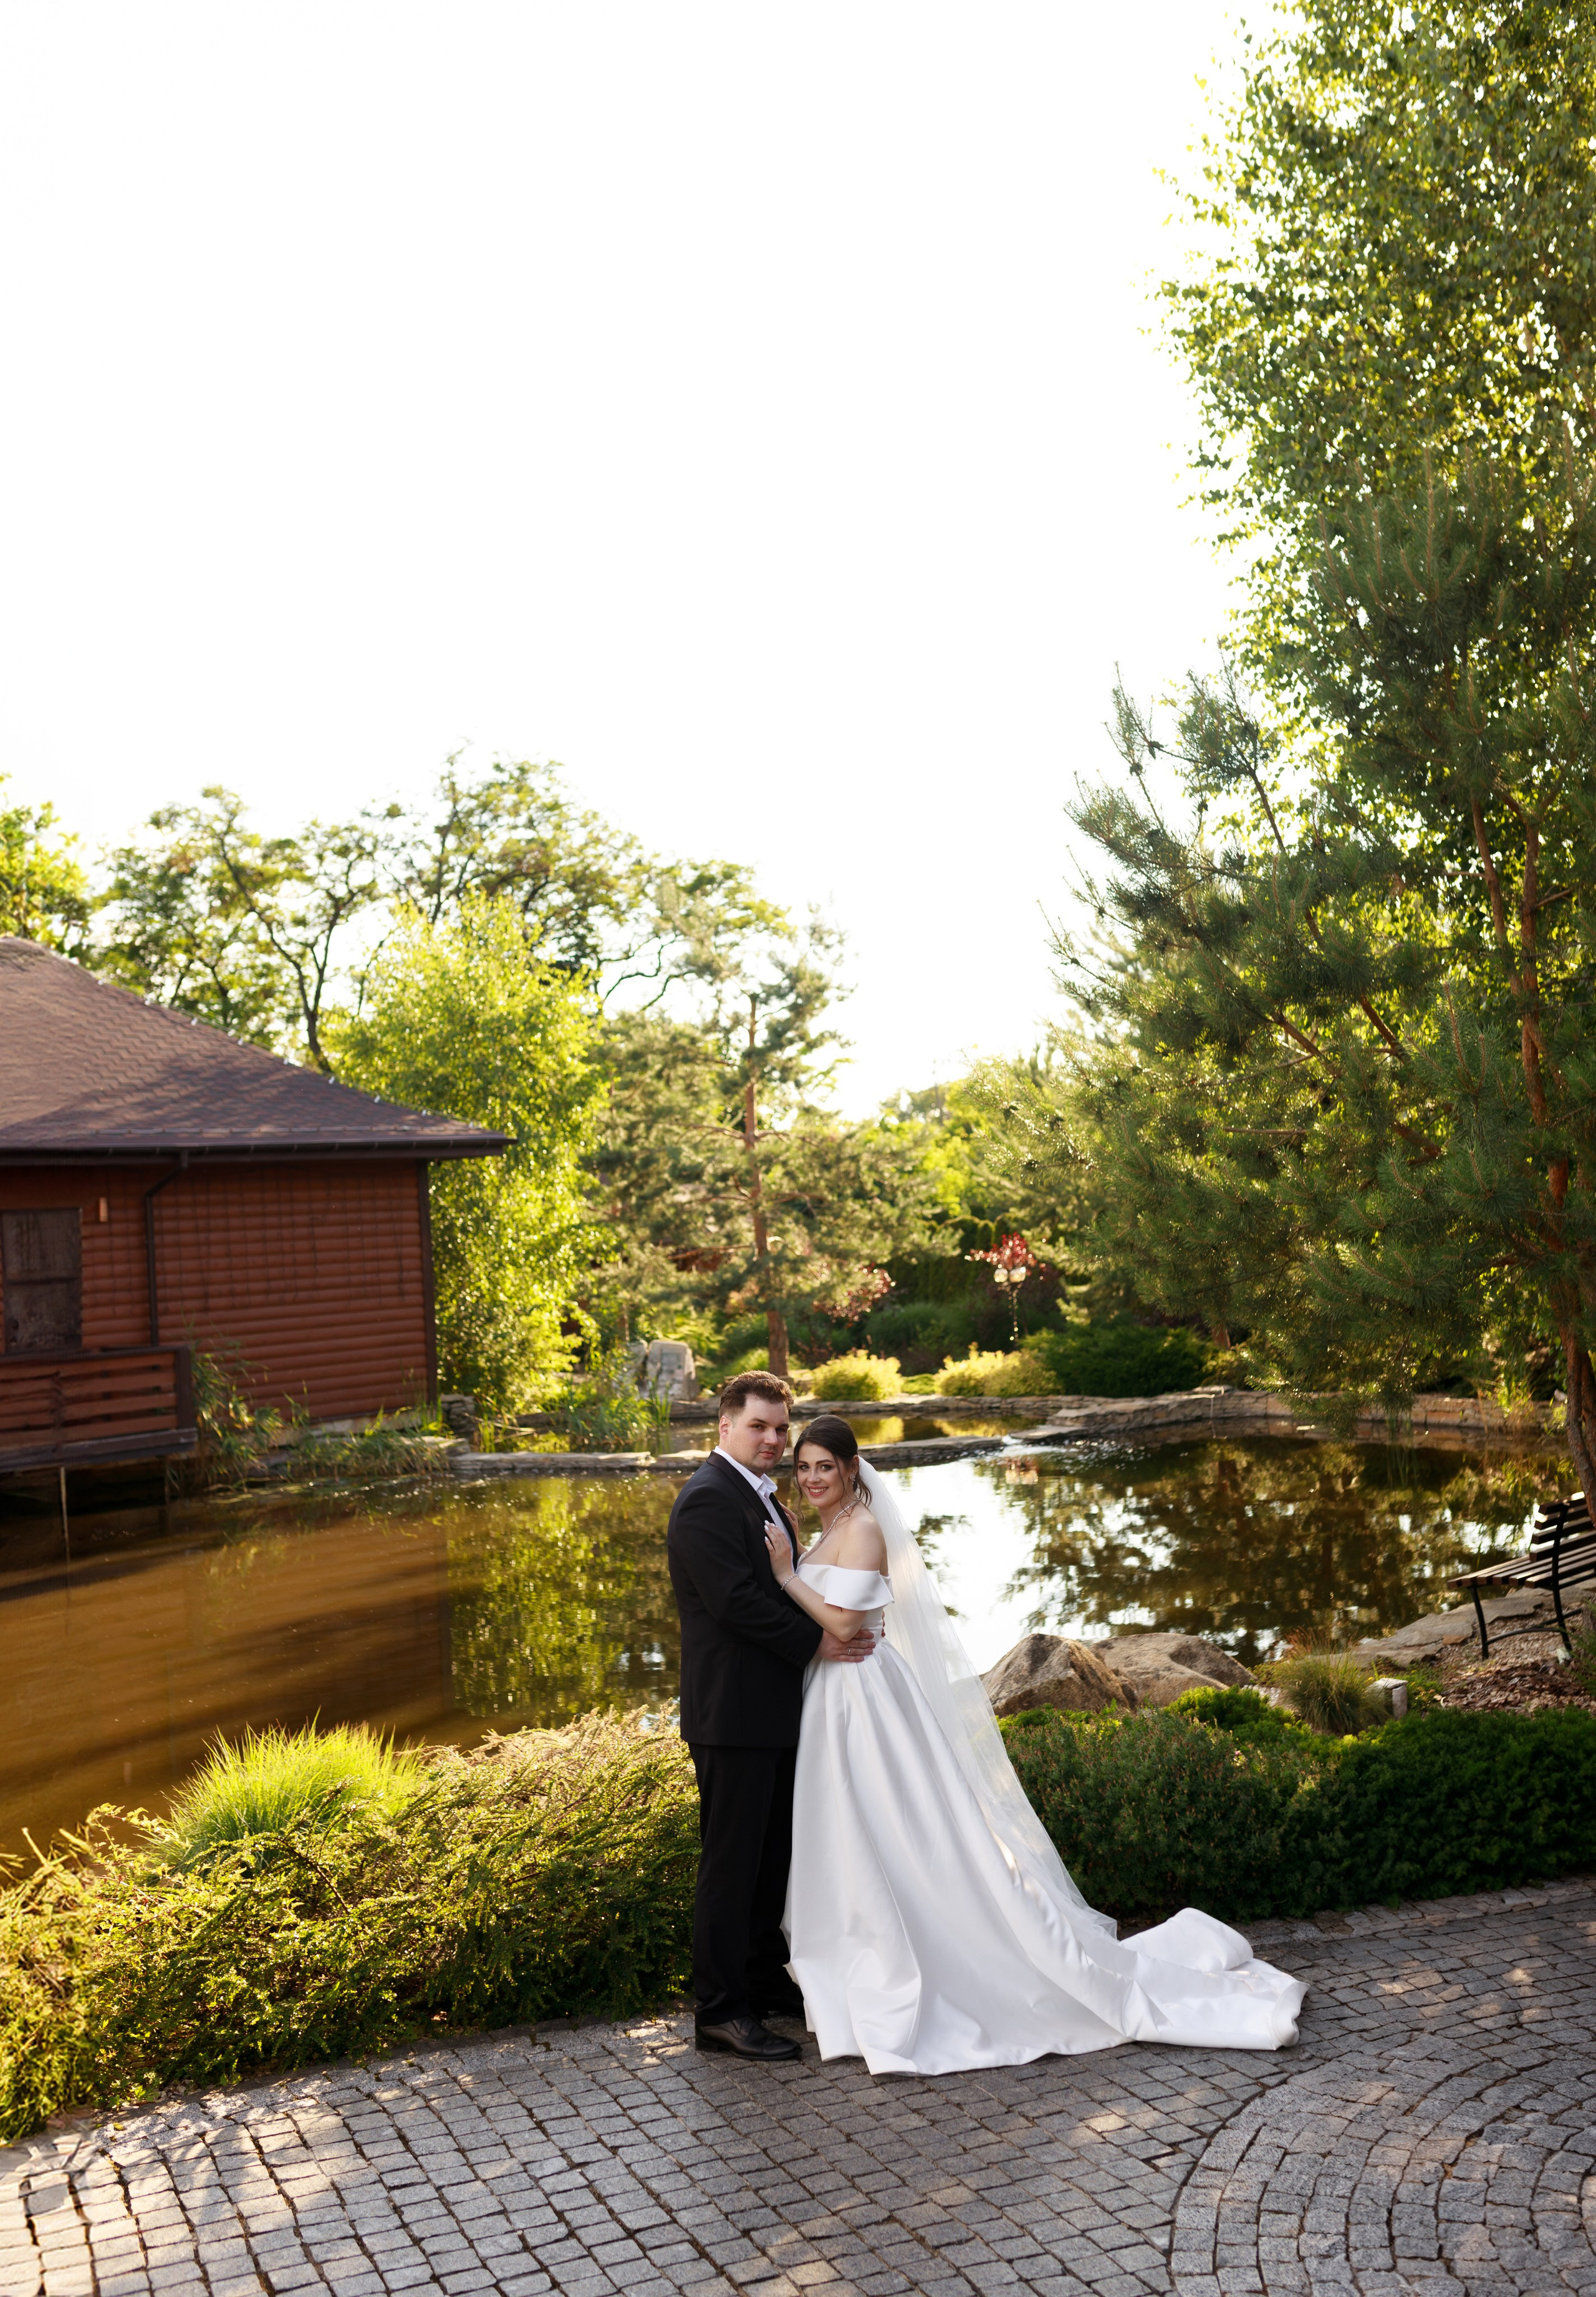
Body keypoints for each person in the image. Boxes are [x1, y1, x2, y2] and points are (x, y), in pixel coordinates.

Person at [763, 1413, 1308, 2076]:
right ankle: (854, 1966)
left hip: (864, 1701)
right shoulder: (829, 1530)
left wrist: (789, 1578)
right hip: (833, 1699)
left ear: (852, 1468)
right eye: (805, 1467)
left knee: (894, 1826)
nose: (814, 1478)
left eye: (825, 1466)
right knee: (853, 1834)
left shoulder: (866, 1530)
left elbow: (846, 1621)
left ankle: (923, 1967)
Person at [665, 1371, 874, 2063]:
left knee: (768, 1862)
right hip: (732, 1717)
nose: (773, 1439)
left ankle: (760, 1981)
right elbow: (735, 1606)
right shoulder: (706, 1500)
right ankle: (721, 2013)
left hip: (777, 1710)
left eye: (781, 1428)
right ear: (724, 1425)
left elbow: (787, 1588)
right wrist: (824, 1641)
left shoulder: (762, 1498)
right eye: (760, 1426)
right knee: (729, 1866)